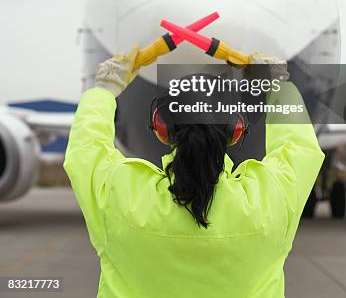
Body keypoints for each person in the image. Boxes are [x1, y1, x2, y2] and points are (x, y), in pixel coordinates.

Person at [63, 44, 324, 297]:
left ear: (162, 129)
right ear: (235, 131)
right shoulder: (271, 198)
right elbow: (298, 147)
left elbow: (85, 150)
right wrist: (278, 84)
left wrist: (104, 89)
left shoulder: (118, 194)